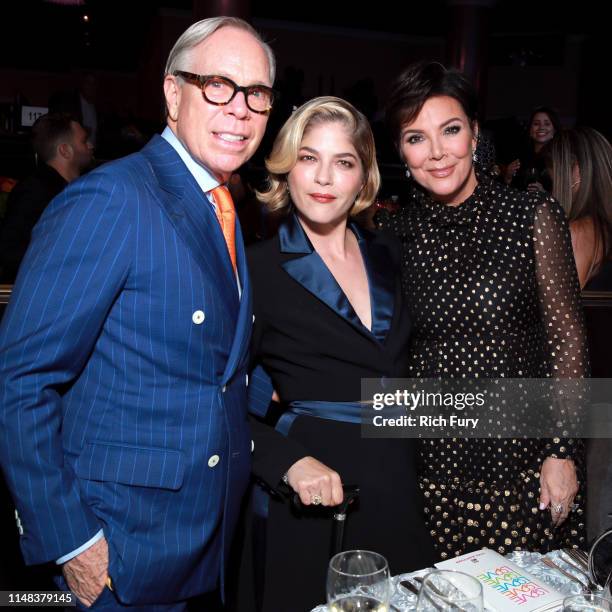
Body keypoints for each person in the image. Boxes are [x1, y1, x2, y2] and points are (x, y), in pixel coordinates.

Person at [0, 16, 275, 610]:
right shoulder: (112, 199)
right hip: (121, 548)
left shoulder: (224, 202)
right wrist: (72, 540)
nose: (241, 109)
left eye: (257, 93)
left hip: (202, 541)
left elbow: (210, 363)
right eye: (218, 85)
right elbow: (22, 381)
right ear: (173, 93)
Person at [377, 61, 589, 559]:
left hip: (520, 454)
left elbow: (567, 339)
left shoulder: (530, 216)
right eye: (415, 138)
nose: (436, 153)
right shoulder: (395, 236)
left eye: (449, 130)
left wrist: (562, 451)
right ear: (401, 153)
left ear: (474, 133)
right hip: (432, 454)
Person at [234, 96, 435, 612]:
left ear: (363, 177)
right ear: (285, 167)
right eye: (308, 157)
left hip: (396, 481)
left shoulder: (391, 252)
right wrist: (286, 462)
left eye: (342, 162)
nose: (323, 177)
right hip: (315, 500)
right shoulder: (255, 269)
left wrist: (563, 433)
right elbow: (216, 402)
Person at [0, 112, 93, 283]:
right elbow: (9, 249)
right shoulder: (35, 190)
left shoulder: (77, 189)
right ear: (65, 150)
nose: (90, 145)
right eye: (83, 141)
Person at [545, 127, 612, 290]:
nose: (552, 192)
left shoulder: (578, 231)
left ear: (576, 171)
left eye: (553, 180)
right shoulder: (602, 225)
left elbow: (560, 308)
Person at [502, 106, 561, 192]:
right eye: (536, 124)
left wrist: (543, 193)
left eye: (547, 124)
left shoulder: (559, 159)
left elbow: (564, 195)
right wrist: (508, 177)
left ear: (554, 130)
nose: (541, 127)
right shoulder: (519, 158)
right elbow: (507, 194)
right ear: (530, 130)